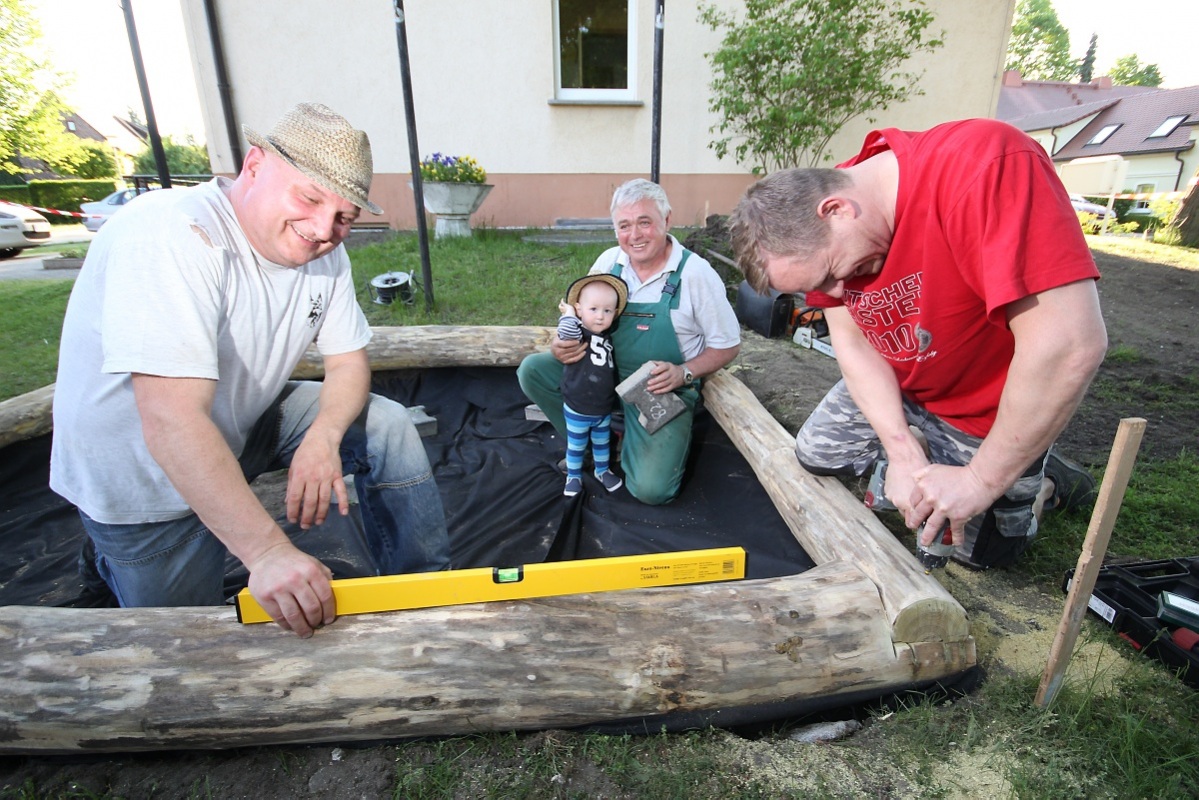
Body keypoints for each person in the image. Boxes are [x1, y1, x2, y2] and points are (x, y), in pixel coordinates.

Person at [50, 102, 450, 637]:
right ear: (254, 166)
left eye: (345, 217)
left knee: (388, 425)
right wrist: (268, 552)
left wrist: (324, 437)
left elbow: (348, 360)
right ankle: (108, 558)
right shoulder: (174, 237)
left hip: (238, 421)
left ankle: (425, 593)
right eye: (309, 198)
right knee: (190, 649)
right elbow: (170, 422)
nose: (323, 229)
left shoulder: (324, 252)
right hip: (139, 475)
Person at [729, 118, 1108, 568]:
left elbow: (1069, 345)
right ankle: (927, 446)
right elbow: (855, 345)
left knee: (978, 555)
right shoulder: (821, 232)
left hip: (983, 403)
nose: (833, 294)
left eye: (833, 273)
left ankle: (1046, 482)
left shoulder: (984, 165)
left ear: (838, 210)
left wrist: (982, 480)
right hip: (908, 381)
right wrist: (901, 450)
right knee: (817, 453)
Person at [518, 178, 741, 505]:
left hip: (658, 388)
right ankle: (600, 444)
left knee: (652, 491)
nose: (634, 235)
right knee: (533, 370)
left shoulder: (696, 274)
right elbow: (580, 318)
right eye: (624, 225)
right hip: (601, 375)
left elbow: (728, 345)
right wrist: (562, 345)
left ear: (666, 220)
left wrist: (685, 372)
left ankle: (633, 442)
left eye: (644, 222)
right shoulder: (609, 263)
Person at [555, 273, 629, 497]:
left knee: (602, 442)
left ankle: (602, 470)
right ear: (579, 309)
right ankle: (574, 475)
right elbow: (566, 332)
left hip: (602, 406)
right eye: (593, 309)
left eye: (607, 311)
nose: (599, 317)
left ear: (614, 314)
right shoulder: (579, 331)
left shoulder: (606, 333)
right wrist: (568, 314)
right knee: (576, 446)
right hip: (579, 404)